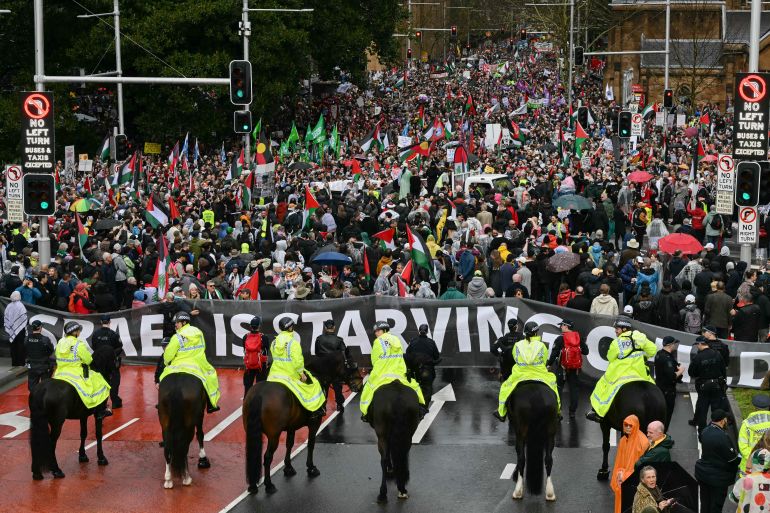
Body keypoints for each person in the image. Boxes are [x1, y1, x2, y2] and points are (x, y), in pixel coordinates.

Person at [587, 316, 657, 423]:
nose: (615, 331)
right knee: (653, 387)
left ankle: (597, 413)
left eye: (617, 328)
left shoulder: (616, 343)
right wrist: (644, 356)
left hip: (621, 375)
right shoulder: (639, 337)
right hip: (640, 374)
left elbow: (610, 357)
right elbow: (653, 350)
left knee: (602, 384)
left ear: (624, 329)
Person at [359, 320, 426, 423]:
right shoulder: (396, 339)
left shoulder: (377, 342)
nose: (376, 333)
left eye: (377, 331)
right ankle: (421, 408)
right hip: (398, 373)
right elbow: (400, 357)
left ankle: (365, 413)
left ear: (384, 330)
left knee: (367, 387)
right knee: (415, 386)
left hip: (381, 374)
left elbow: (374, 360)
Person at [494, 322, 560, 422]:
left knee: (505, 387)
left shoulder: (518, 345)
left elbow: (515, 358)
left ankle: (501, 412)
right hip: (540, 374)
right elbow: (544, 359)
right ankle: (558, 412)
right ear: (536, 332)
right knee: (553, 385)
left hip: (520, 374)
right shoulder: (542, 345)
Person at [159, 311, 221, 414]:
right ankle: (211, 404)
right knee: (210, 379)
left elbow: (168, 354)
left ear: (184, 322)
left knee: (163, 378)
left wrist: (166, 363)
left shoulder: (177, 337)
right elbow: (203, 347)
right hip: (198, 364)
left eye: (177, 322)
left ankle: (162, 402)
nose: (175, 325)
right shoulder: (198, 332)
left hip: (178, 365)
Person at [267, 317, 326, 420]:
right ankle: (315, 411)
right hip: (290, 375)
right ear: (290, 327)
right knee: (314, 385)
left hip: (273, 375)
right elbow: (298, 362)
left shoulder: (274, 343)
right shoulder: (293, 343)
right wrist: (301, 374)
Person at [52, 321, 112, 419]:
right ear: (75, 332)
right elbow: (88, 360)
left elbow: (57, 356)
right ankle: (101, 410)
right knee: (101, 382)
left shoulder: (60, 342)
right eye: (79, 330)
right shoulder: (78, 344)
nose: (79, 332)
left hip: (60, 372)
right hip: (76, 373)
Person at [695, 409, 740, 513]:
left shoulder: (705, 431)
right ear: (723, 420)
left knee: (705, 504)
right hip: (718, 479)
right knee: (715, 506)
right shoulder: (723, 437)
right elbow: (732, 459)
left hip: (703, 475)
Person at [546, 319, 589, 419]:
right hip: (575, 370)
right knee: (574, 390)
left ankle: (559, 411)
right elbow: (586, 352)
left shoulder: (560, 339)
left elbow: (554, 354)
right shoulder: (578, 338)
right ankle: (572, 412)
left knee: (558, 389)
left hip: (562, 368)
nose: (561, 327)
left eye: (562, 325)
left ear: (566, 326)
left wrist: (549, 364)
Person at [687, 336, 728, 433]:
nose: (697, 346)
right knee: (716, 410)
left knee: (702, 410)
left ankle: (702, 433)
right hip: (717, 386)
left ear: (701, 344)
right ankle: (717, 431)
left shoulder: (698, 357)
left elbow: (691, 372)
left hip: (703, 387)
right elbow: (723, 370)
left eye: (697, 344)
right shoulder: (717, 354)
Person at [612, 414, 650, 513]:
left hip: (633, 480)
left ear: (636, 425)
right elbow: (618, 462)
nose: (628, 427)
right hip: (622, 477)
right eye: (626, 425)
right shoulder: (623, 441)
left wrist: (624, 475)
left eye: (630, 425)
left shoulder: (643, 443)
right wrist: (618, 474)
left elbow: (641, 467)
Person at [314, 318, 350, 412]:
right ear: (334, 327)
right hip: (335, 369)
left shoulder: (319, 339)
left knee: (323, 388)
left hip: (323, 368)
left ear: (325, 328)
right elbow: (344, 354)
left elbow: (317, 353)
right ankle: (339, 405)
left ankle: (322, 406)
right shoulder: (339, 340)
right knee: (337, 388)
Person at [91, 315, 124, 408]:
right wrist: (112, 354)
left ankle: (101, 402)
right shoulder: (114, 334)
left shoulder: (96, 334)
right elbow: (119, 347)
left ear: (101, 322)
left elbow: (94, 347)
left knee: (101, 381)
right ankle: (115, 401)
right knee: (114, 380)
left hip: (99, 362)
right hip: (111, 362)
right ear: (109, 322)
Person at [405, 323, 441, 404]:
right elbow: (436, 356)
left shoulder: (413, 341)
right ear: (427, 331)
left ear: (419, 331)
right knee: (427, 388)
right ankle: (424, 408)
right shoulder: (431, 342)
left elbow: (407, 354)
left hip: (415, 370)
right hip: (427, 370)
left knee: (414, 386)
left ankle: (414, 403)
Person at [654, 336, 684, 426]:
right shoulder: (667, 358)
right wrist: (681, 370)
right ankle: (662, 434)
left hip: (659, 387)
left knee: (657, 414)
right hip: (668, 391)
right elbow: (672, 376)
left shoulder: (659, 354)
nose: (676, 345)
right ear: (670, 345)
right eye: (675, 343)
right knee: (666, 415)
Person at [738, 394, 770, 473]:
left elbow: (743, 446)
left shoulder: (746, 424)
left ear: (754, 407)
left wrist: (756, 459)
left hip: (750, 468)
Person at [242, 316, 270, 396]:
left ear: (250, 326)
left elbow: (245, 350)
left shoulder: (245, 337)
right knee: (260, 388)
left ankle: (246, 401)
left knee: (247, 386)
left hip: (249, 365)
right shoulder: (264, 337)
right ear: (259, 326)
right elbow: (266, 352)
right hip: (260, 366)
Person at [24, 319, 54, 392]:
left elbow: (24, 351)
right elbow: (51, 351)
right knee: (45, 388)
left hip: (32, 366)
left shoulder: (26, 339)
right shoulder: (45, 339)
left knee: (32, 388)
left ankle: (34, 401)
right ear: (40, 328)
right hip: (44, 366)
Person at [4, 290, 27, 367]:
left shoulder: (8, 306)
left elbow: (6, 317)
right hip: (20, 329)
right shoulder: (21, 305)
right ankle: (21, 362)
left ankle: (14, 362)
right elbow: (24, 318)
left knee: (13, 345)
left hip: (11, 329)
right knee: (20, 345)